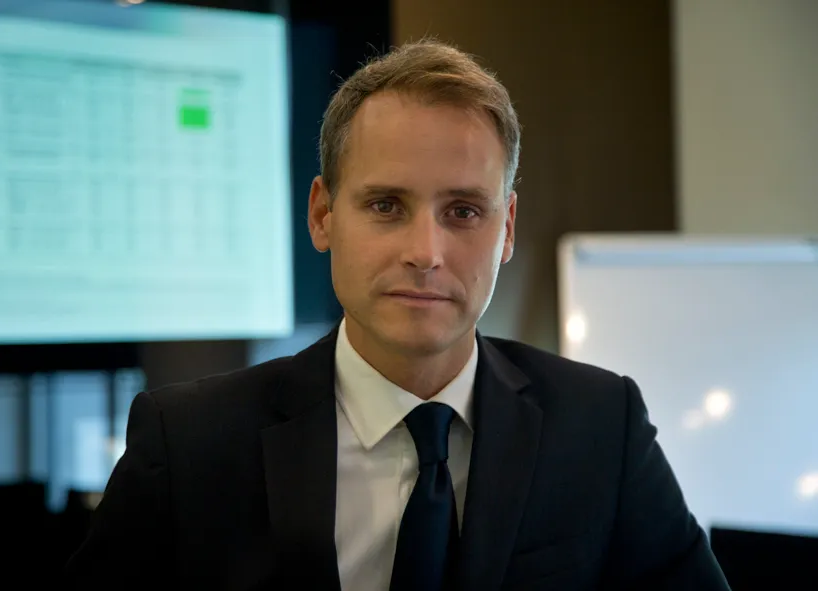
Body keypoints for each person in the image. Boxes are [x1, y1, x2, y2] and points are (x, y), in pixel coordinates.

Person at [65, 39, 731, 590]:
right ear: (323, 215)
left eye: (463, 211)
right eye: (386, 205)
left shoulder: (601, 427)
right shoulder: (188, 444)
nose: (425, 252)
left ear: (506, 229)